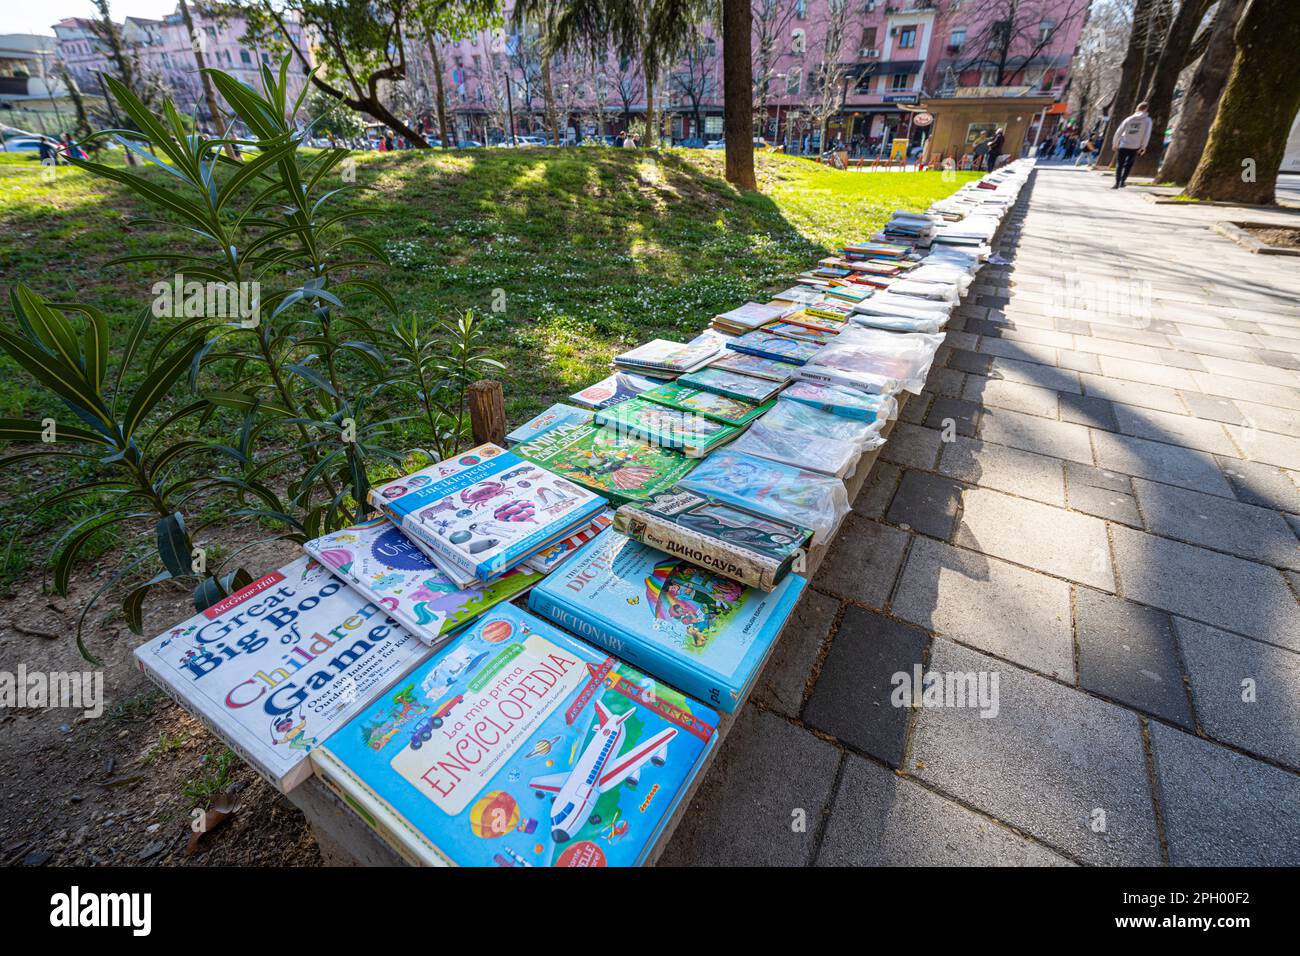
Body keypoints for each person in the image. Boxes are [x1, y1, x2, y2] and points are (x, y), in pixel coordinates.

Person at [1111, 101, 1152, 188]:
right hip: (1135, 146)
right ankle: (1123, 181)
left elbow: (1119, 131)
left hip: (1123, 145)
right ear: (1146, 109)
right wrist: (1143, 146)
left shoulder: (1129, 119)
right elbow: (1146, 134)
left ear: (1137, 108)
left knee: (1119, 164)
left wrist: (1115, 143)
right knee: (1129, 164)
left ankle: (1117, 183)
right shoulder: (1148, 121)